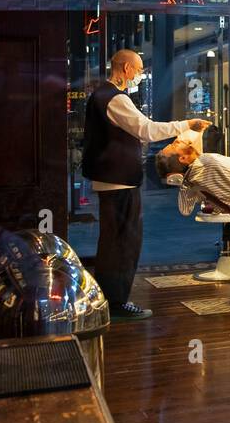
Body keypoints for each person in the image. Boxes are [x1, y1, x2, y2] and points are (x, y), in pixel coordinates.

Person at [82, 49, 209, 321]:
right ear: (126, 68)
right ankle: (115, 303)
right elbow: (146, 130)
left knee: (115, 243)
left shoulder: (108, 96)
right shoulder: (113, 98)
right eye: (138, 69)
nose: (139, 74)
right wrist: (186, 123)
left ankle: (110, 301)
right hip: (118, 183)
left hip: (115, 181)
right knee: (123, 244)